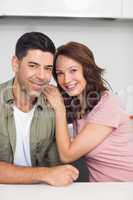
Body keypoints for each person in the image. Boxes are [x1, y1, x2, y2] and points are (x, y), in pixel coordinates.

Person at [43, 41, 133, 182]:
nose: (66, 80)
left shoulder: (108, 104)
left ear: (87, 70)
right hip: (99, 190)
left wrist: (59, 107)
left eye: (73, 70)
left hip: (125, 188)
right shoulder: (77, 106)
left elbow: (67, 155)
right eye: (60, 73)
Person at [0, 32, 79, 186]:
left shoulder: (56, 102)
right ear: (15, 64)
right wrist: (45, 174)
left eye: (48, 68)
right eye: (33, 66)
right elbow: (51, 173)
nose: (42, 76)